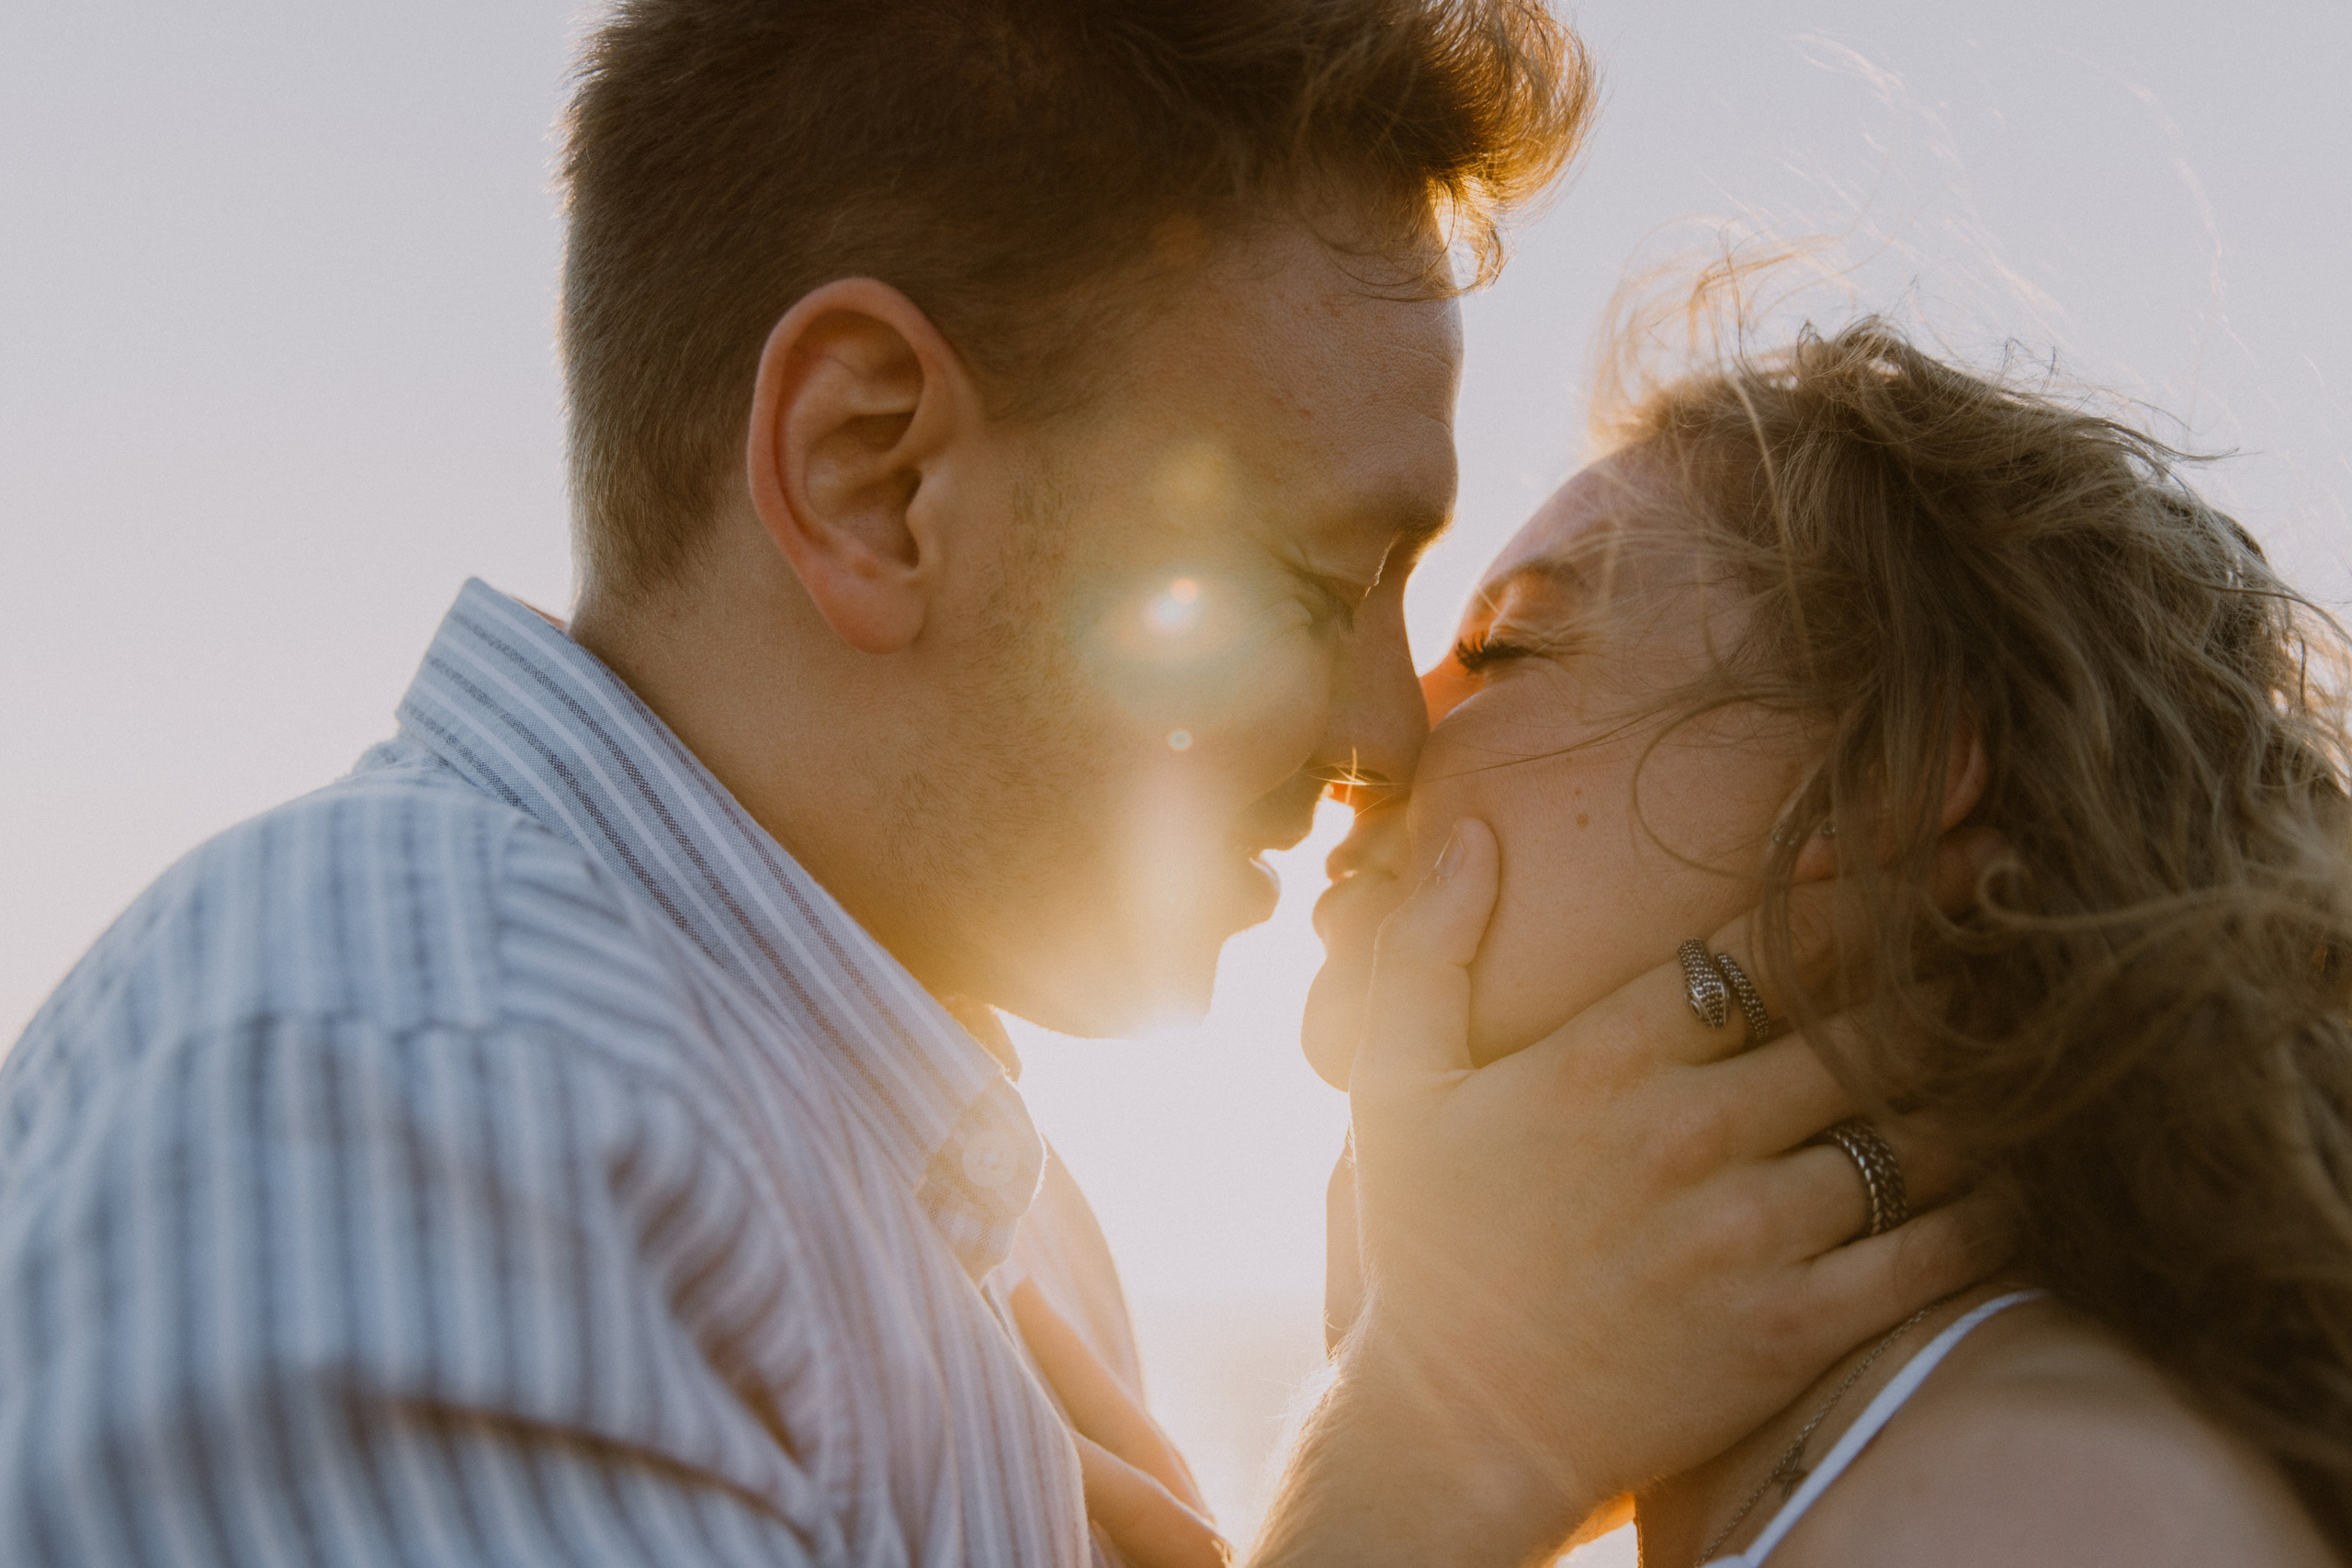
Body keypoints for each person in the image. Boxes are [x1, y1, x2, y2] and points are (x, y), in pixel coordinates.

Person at [0, 6, 1995, 1566]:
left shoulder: (977, 1209)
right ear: (877, 475)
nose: (1385, 733)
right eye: (1313, 577)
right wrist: (1440, 1449)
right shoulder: (423, 1108)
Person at [1307, 309, 2352, 1563]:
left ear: (1886, 788)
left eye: (1510, 644)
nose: (1371, 741)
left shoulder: (2037, 1516)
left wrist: (1412, 1452)